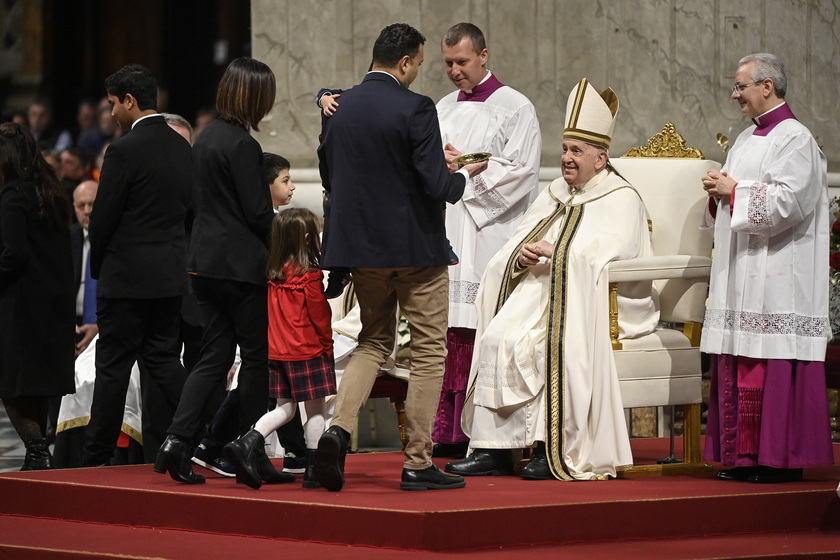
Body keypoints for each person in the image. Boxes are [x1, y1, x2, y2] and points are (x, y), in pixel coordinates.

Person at [446, 78, 658, 481]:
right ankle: (494, 450)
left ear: (601, 158)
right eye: (564, 149)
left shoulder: (621, 198)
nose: (566, 158)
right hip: (540, 291)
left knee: (544, 344)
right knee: (495, 337)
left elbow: (612, 257)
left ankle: (551, 447)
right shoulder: (557, 191)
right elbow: (520, 237)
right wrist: (522, 255)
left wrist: (558, 254)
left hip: (589, 302)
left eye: (577, 151)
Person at [313, 22, 486, 492]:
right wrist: (463, 174)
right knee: (430, 352)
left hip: (362, 252)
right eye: (421, 64)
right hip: (414, 251)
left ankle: (337, 430)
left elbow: (331, 172)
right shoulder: (416, 107)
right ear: (406, 61)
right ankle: (417, 462)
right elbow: (435, 184)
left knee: (372, 341)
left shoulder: (339, 106)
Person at [701, 53, 833, 484]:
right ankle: (745, 458)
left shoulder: (796, 139)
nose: (735, 94)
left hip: (778, 275)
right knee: (741, 358)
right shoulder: (745, 139)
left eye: (741, 86)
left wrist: (735, 191)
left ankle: (777, 460)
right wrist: (717, 193)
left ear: (767, 87)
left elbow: (790, 203)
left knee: (769, 361)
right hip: (743, 270)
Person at [155, 57, 279, 486]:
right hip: (241, 268)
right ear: (255, 96)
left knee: (212, 358)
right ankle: (252, 452)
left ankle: (176, 441)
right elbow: (258, 212)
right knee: (256, 361)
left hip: (204, 265)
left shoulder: (205, 138)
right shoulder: (243, 145)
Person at [430, 23, 542, 458]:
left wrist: (471, 169)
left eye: (462, 62)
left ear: (484, 55)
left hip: (489, 232)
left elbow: (523, 172)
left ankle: (483, 434)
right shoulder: (441, 107)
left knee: (480, 324)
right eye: (447, 63)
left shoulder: (516, 107)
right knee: (449, 329)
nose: (454, 71)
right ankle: (448, 432)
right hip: (447, 227)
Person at [80, 64, 192, 467]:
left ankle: (95, 459)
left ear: (130, 101)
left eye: (113, 104)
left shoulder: (123, 151)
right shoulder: (182, 147)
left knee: (112, 369)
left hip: (125, 280)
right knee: (162, 360)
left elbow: (103, 218)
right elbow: (189, 214)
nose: (110, 113)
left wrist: (100, 266)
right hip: (168, 277)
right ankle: (208, 430)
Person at [188, 152, 300, 479]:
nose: (292, 186)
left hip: (276, 319)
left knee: (276, 386)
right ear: (263, 187)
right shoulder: (266, 226)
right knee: (262, 383)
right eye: (285, 180)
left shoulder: (278, 221)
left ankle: (293, 451)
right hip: (261, 316)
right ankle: (210, 444)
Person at [225, 208, 335, 489]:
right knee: (317, 411)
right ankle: (312, 470)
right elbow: (319, 316)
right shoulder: (309, 275)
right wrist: (327, 345)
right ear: (309, 238)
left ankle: (250, 439)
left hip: (278, 353)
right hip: (308, 350)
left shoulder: (274, 273)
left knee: (285, 409)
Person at [0, 122, 75, 470]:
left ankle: (37, 450)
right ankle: (38, 454)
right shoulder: (53, 194)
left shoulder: (13, 196)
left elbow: (12, 254)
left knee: (11, 384)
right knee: (37, 384)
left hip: (19, 306)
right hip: (53, 304)